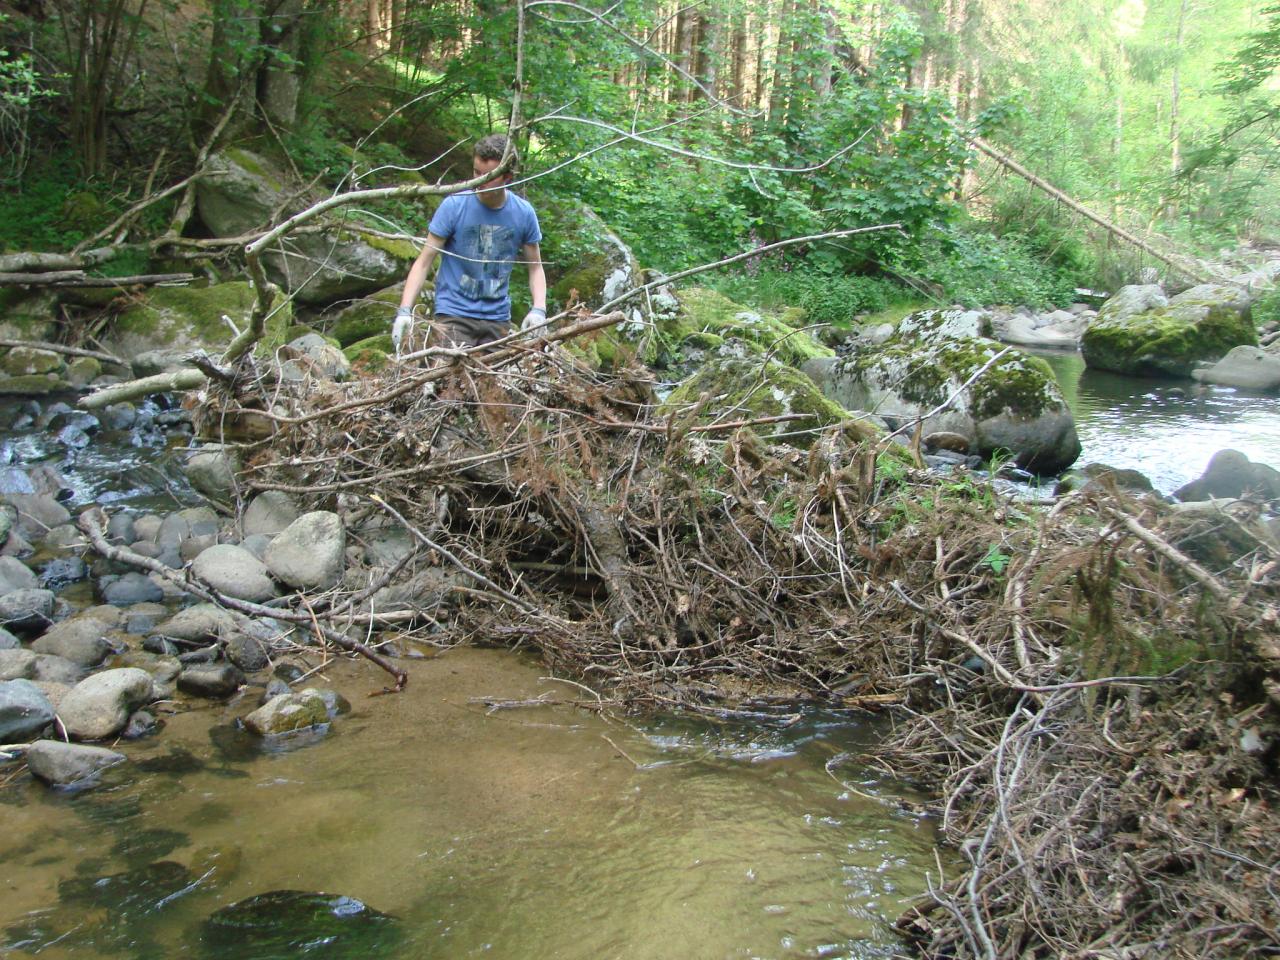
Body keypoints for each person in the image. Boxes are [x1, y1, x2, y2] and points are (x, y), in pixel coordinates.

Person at [393, 133, 547, 352]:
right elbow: (424, 262)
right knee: (448, 382)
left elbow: (535, 268)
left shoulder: (523, 214)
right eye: (476, 172)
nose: (479, 181)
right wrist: (404, 311)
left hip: (498, 319)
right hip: (453, 315)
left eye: (488, 176)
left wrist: (539, 310)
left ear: (508, 177)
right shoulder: (454, 206)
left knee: (494, 384)